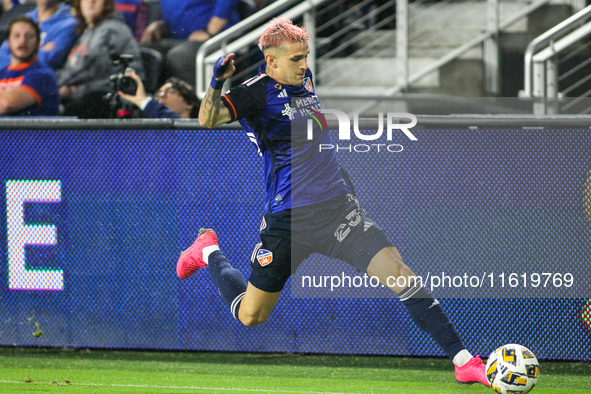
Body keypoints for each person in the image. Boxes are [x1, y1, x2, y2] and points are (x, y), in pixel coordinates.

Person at [178, 18, 490, 387]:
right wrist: (217, 82)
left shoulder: (305, 82)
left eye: (305, 57)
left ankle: (464, 362)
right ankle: (209, 250)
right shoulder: (255, 92)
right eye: (295, 59)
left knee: (401, 275)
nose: (303, 65)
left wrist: (344, 180)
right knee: (251, 316)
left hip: (338, 213)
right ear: (271, 62)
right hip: (288, 222)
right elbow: (207, 120)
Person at [57, 0, 143, 118]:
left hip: (113, 96)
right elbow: (72, 67)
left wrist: (63, 88)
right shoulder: (88, 32)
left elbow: (90, 67)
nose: (91, 2)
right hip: (89, 92)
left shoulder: (112, 29)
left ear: (106, 3)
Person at [139, 0, 241, 86]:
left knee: (179, 56)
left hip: (215, 39)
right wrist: (160, 24)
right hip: (178, 38)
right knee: (145, 52)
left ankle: (194, 106)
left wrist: (210, 32)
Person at [0, 16, 59, 116]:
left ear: (38, 43)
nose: (22, 41)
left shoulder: (43, 75)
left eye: (29, 36)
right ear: (8, 43)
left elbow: (5, 104)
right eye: (17, 36)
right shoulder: (2, 73)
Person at [0, 0, 78, 70]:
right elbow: (1, 57)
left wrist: (17, 55)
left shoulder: (70, 24)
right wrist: (42, 51)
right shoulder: (24, 19)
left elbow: (49, 61)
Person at [118, 69, 200, 118]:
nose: (161, 96)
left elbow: (175, 121)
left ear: (189, 104)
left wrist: (143, 101)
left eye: (169, 92)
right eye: (159, 93)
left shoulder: (197, 133)